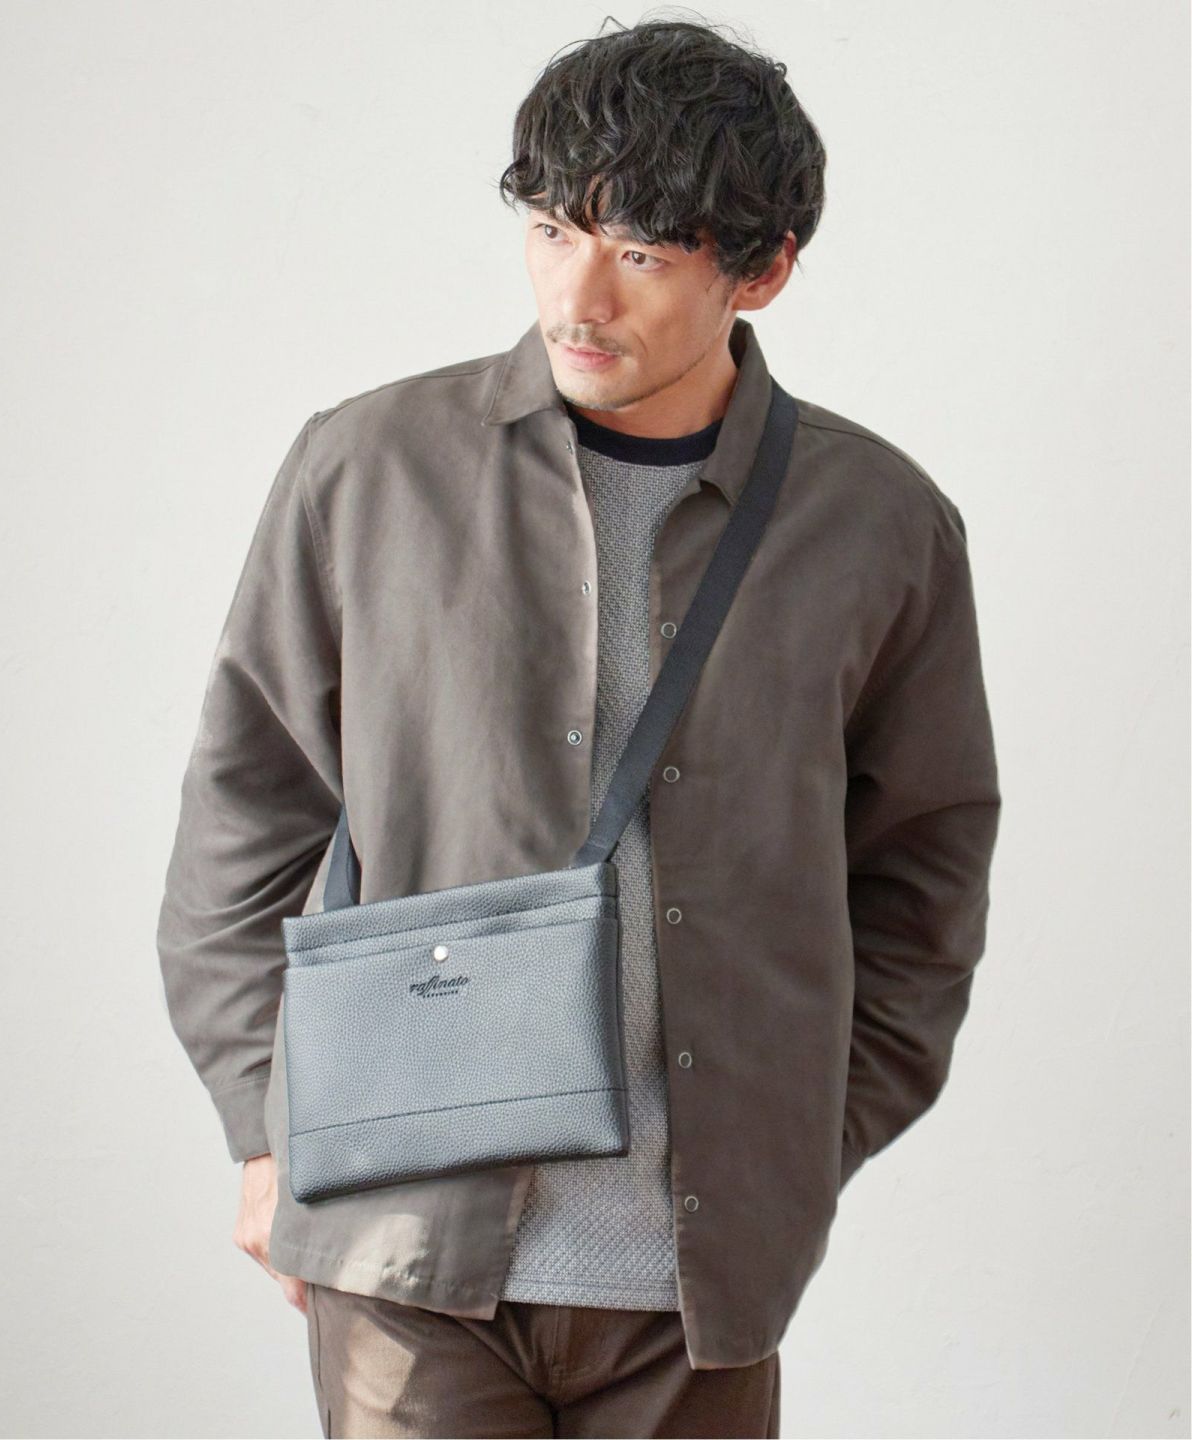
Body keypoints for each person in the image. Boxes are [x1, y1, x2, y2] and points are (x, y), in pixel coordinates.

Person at [156, 17, 1001, 1438]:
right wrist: (267, 1124)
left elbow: (925, 874)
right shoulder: (367, 470)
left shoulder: (879, 526)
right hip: (403, 1253)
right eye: (552, 230)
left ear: (763, 271)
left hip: (694, 1288)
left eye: (644, 256)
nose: (578, 296)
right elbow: (244, 822)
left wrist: (797, 1146)